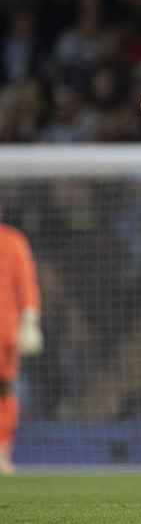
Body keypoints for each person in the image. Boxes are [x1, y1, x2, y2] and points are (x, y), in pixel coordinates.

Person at [0, 203, 43, 475]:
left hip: (5, 333)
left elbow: (25, 283)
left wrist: (30, 321)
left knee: (4, 391)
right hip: (6, 330)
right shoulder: (15, 241)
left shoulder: (14, 241)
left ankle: (2, 452)